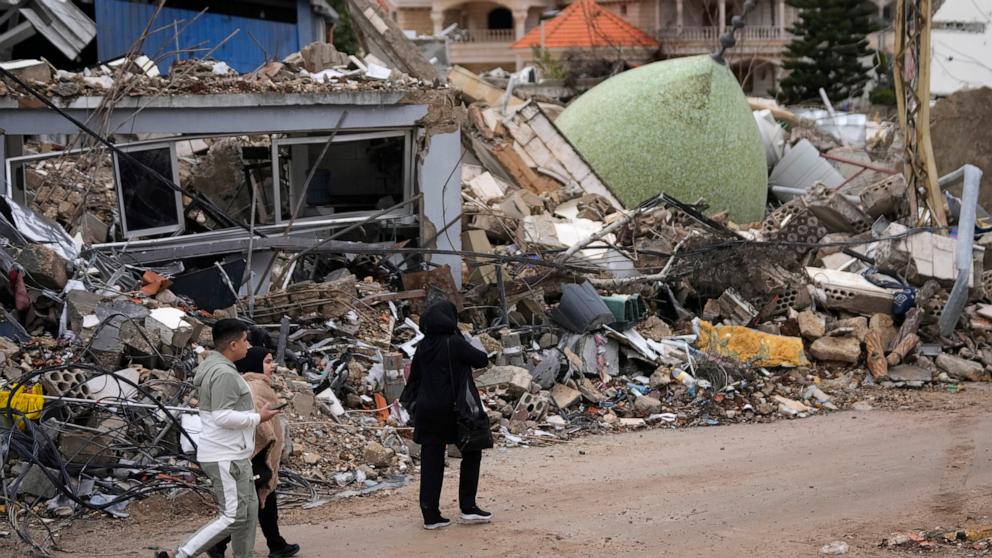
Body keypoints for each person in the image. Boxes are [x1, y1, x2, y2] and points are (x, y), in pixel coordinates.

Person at [156, 319, 281, 558]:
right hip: (225, 456)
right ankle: (180, 554)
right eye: (245, 340)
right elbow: (222, 416)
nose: (248, 345)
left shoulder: (221, 368)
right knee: (233, 516)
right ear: (233, 345)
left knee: (249, 511)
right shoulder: (223, 373)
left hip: (235, 454)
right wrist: (258, 417)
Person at [400, 301, 492, 530]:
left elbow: (417, 377)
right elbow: (482, 359)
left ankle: (431, 515)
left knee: (432, 461)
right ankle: (468, 507)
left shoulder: (423, 346)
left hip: (426, 409)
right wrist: (463, 338)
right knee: (472, 452)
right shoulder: (454, 343)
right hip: (452, 409)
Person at [207, 347, 300, 558]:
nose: (272, 366)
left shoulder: (252, 384)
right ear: (255, 365)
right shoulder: (255, 388)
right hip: (257, 458)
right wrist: (268, 442)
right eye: (267, 362)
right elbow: (257, 424)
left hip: (259, 458)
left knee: (265, 501)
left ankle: (277, 545)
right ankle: (217, 544)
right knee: (246, 508)